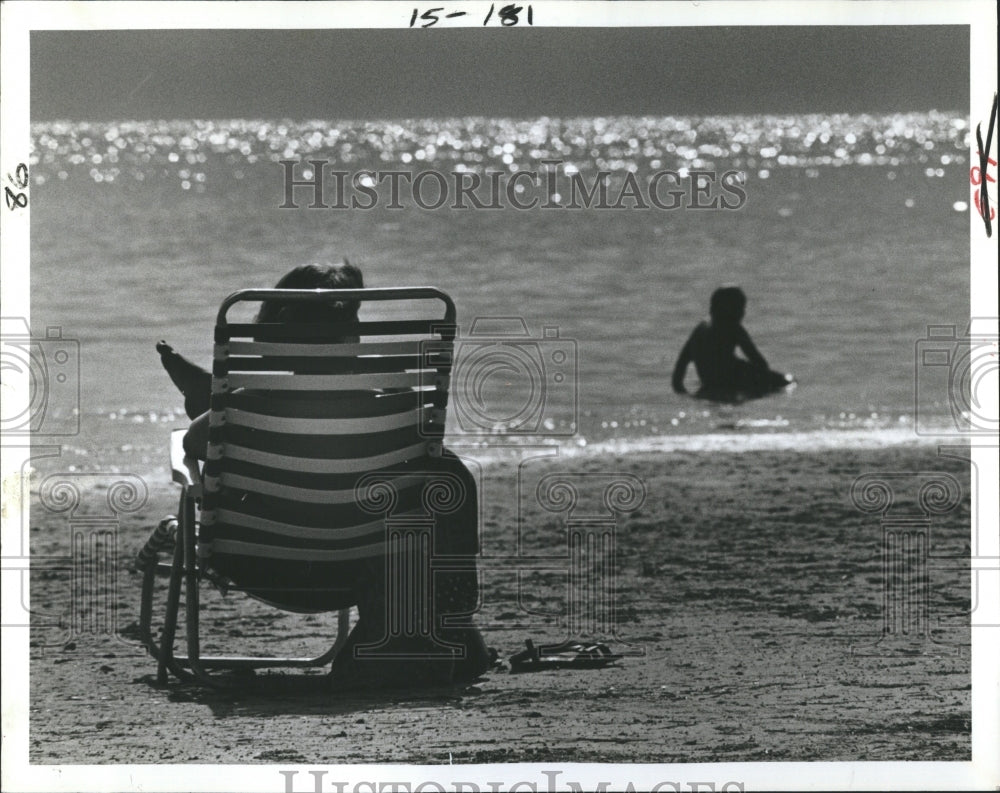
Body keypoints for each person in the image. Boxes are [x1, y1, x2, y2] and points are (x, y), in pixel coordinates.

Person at [156, 261, 491, 687]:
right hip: (364, 563)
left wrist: (225, 410)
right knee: (441, 469)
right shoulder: (393, 408)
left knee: (233, 442)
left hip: (262, 561)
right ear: (353, 338)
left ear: (271, 340)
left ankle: (203, 395)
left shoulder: (248, 405)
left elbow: (192, 445)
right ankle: (449, 619)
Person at [671, 286, 794, 402]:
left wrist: (684, 394)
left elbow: (680, 368)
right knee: (789, 382)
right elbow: (759, 361)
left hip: (710, 383)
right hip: (733, 379)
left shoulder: (699, 330)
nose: (742, 313)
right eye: (740, 308)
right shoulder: (733, 327)